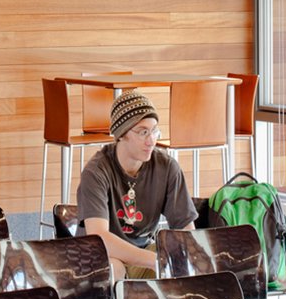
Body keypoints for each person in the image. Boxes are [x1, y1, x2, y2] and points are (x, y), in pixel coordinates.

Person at [77, 91, 198, 279]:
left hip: (143, 251)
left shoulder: (167, 168)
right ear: (121, 134)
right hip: (101, 256)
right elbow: (99, 237)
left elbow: (186, 231)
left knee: (179, 257)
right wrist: (155, 260)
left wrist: (185, 260)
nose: (151, 141)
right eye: (143, 132)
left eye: (154, 131)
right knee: (114, 269)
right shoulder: (96, 172)